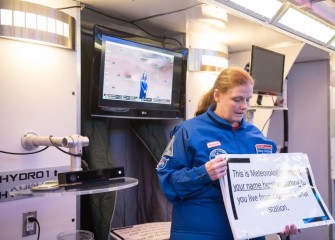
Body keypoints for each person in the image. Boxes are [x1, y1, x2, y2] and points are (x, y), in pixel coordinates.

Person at [156, 67, 300, 240]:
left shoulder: (257, 137)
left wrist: (280, 219)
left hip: (249, 233)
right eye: (237, 99)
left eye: (248, 99)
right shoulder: (188, 132)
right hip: (201, 233)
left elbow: (269, 191)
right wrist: (203, 174)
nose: (244, 106)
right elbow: (168, 183)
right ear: (218, 95)